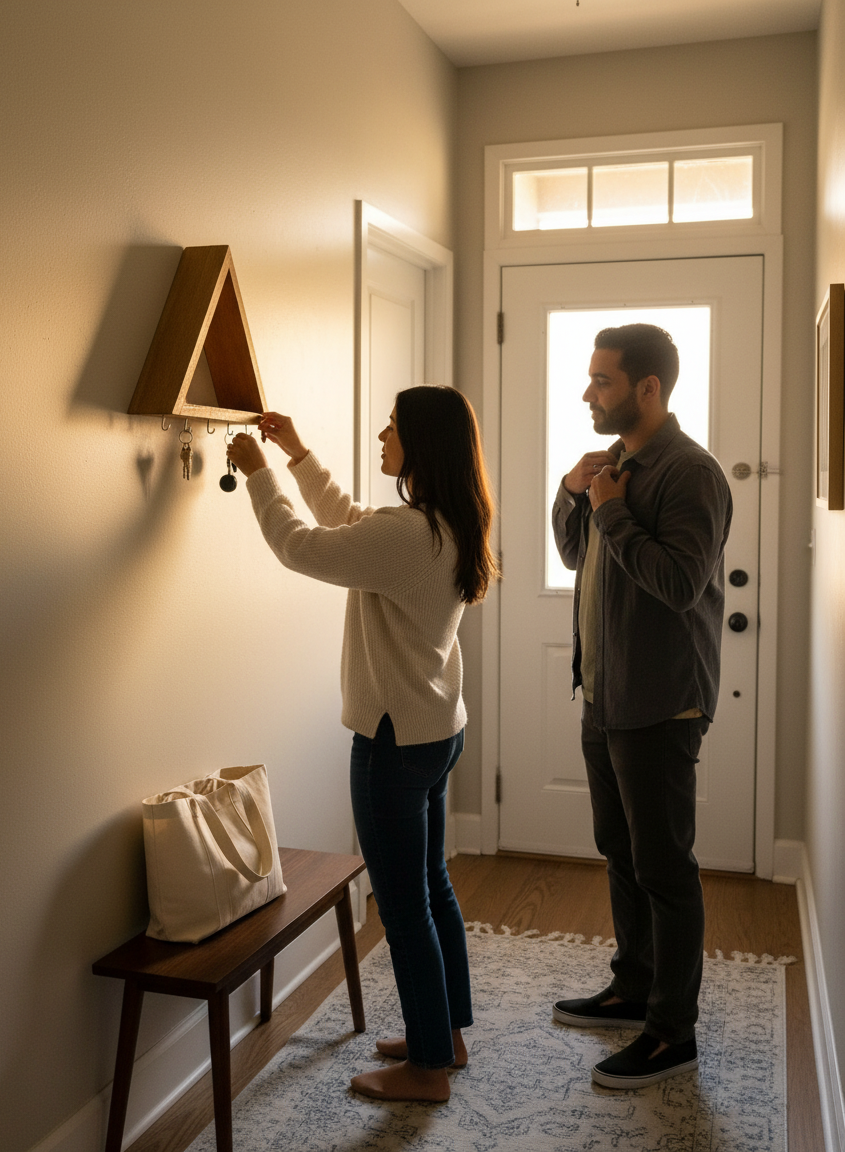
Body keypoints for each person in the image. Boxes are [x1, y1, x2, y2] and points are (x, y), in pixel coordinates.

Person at [226, 386, 499, 1103]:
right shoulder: (445, 521)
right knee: (431, 888)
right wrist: (296, 454)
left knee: (403, 909)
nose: (382, 435)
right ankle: (446, 1036)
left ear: (422, 445)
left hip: (392, 746)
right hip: (435, 733)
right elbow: (350, 522)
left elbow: (300, 546)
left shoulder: (407, 534)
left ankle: (427, 1070)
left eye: (393, 427)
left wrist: (259, 473)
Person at [550, 323, 732, 1089]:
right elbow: (575, 553)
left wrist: (612, 511)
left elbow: (680, 584)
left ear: (647, 388)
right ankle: (633, 987)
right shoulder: (614, 466)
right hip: (605, 693)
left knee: (664, 868)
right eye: (591, 378)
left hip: (660, 702)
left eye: (603, 381)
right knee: (621, 851)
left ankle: (671, 1033)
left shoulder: (691, 473)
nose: (587, 394)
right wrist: (574, 493)